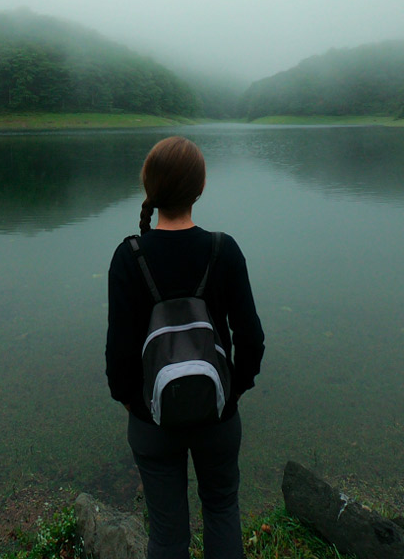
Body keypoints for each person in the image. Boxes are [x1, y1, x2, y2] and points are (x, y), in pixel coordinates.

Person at [107, 136, 265, 559]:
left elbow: (118, 356)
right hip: (218, 415)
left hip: (151, 420)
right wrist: (233, 392)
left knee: (166, 535)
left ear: (149, 187)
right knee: (222, 509)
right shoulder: (223, 250)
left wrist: (136, 405)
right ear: (200, 187)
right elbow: (251, 339)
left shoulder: (128, 256)